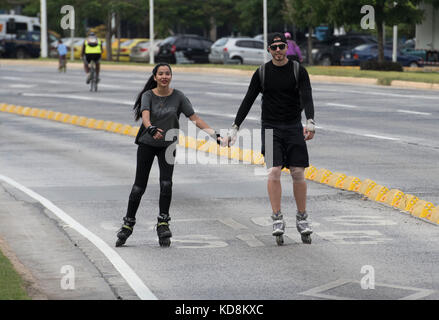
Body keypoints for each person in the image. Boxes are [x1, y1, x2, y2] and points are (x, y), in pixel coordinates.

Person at [116, 63, 223, 248]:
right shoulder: (148, 95)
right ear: (155, 77)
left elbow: (194, 118)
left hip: (168, 145)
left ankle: (163, 222)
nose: (164, 77)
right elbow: (145, 115)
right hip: (147, 144)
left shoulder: (178, 96)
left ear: (171, 76)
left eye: (167, 74)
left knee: (166, 184)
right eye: (161, 74)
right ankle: (128, 223)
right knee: (138, 187)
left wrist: (215, 135)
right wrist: (150, 128)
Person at [224, 32, 316, 244]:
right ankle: (277, 217)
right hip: (271, 128)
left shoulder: (298, 70)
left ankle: (302, 217)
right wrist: (235, 126)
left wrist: (310, 121)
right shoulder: (262, 72)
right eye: (273, 47)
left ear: (287, 48)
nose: (278, 51)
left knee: (297, 172)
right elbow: (248, 99)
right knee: (274, 171)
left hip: (293, 126)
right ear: (268, 50)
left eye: (281, 47)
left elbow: (307, 95)